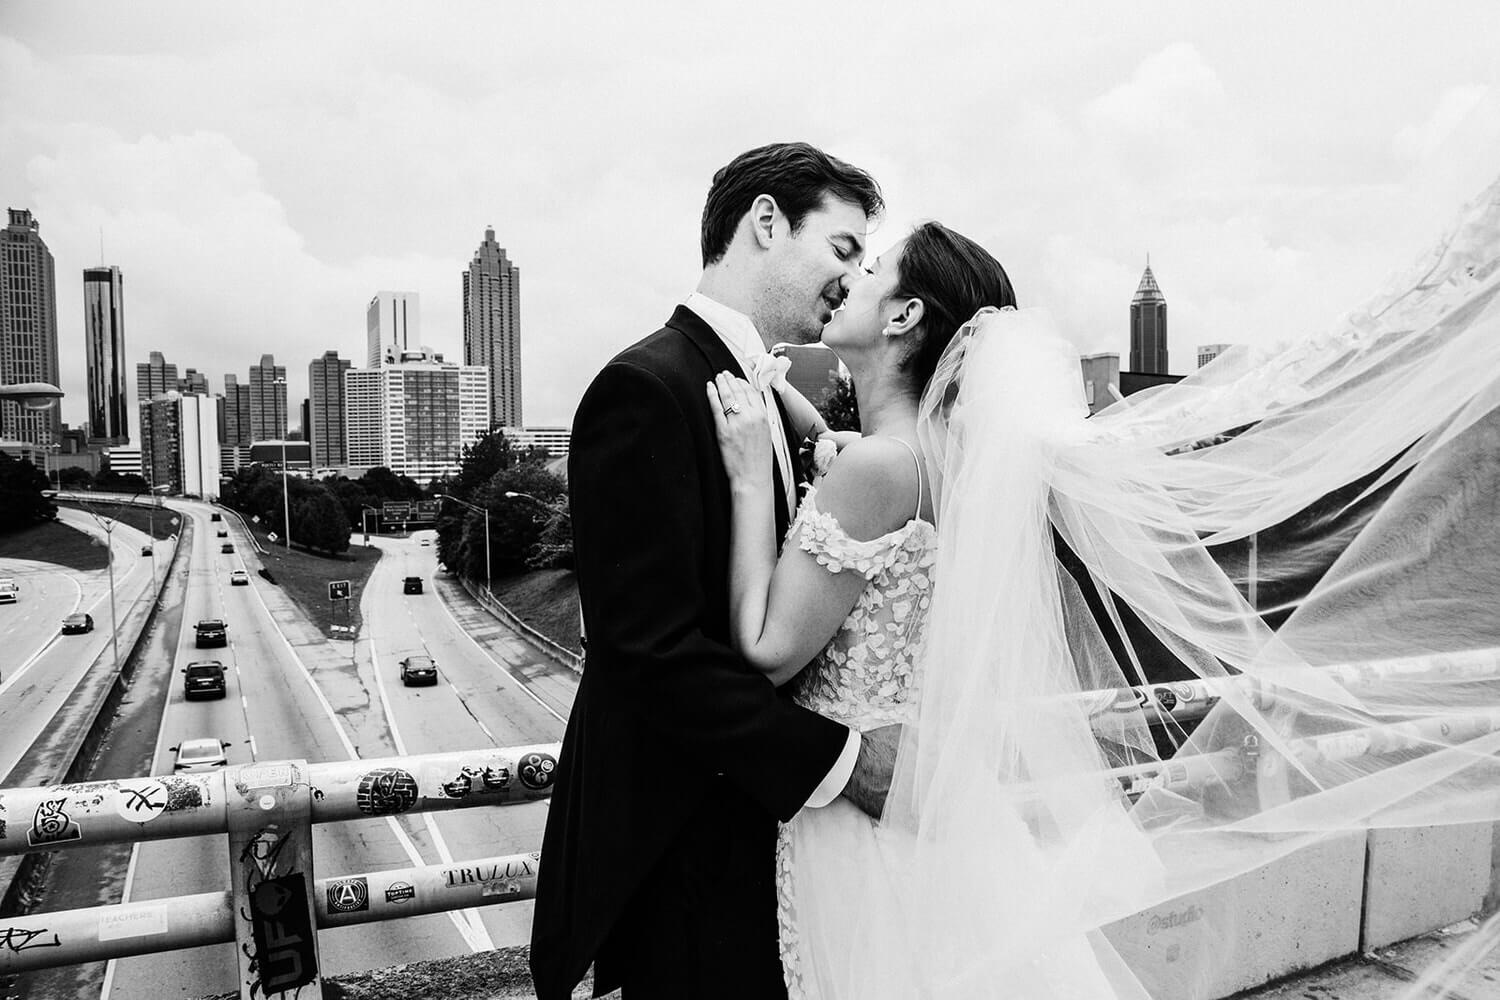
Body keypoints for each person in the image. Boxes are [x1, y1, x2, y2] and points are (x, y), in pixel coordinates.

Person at [711, 172, 1500, 999]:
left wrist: (745, 481)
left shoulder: (879, 467)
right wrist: (796, 416)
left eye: (871, 271)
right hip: (934, 801)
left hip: (857, 819)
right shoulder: (942, 465)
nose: (850, 277)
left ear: (905, 315)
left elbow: (767, 650)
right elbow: (858, 487)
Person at [530, 142, 899, 1000]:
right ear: (766, 223)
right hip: (682, 852)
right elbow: (647, 650)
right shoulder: (645, 387)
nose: (850, 279)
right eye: (841, 249)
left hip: (761, 849)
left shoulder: (767, 391)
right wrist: (843, 760)